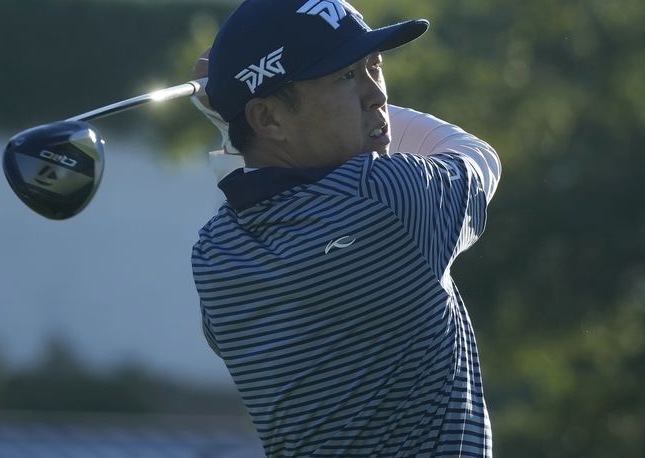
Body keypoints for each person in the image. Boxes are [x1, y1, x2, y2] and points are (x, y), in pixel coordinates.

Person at [190, 0, 501, 456]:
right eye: (345, 76)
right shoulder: (391, 199)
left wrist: (233, 124)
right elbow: (476, 155)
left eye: (373, 66)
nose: (377, 95)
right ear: (271, 118)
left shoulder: (216, 254)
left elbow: (253, 177)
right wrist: (230, 118)